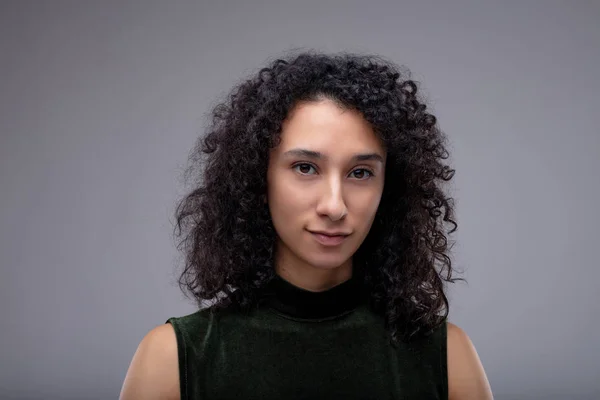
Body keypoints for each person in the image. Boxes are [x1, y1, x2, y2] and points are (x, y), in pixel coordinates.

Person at [119, 51, 493, 400]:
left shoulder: (446, 358)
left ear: (388, 188)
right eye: (305, 168)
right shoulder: (172, 360)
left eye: (360, 173)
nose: (334, 205)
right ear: (257, 179)